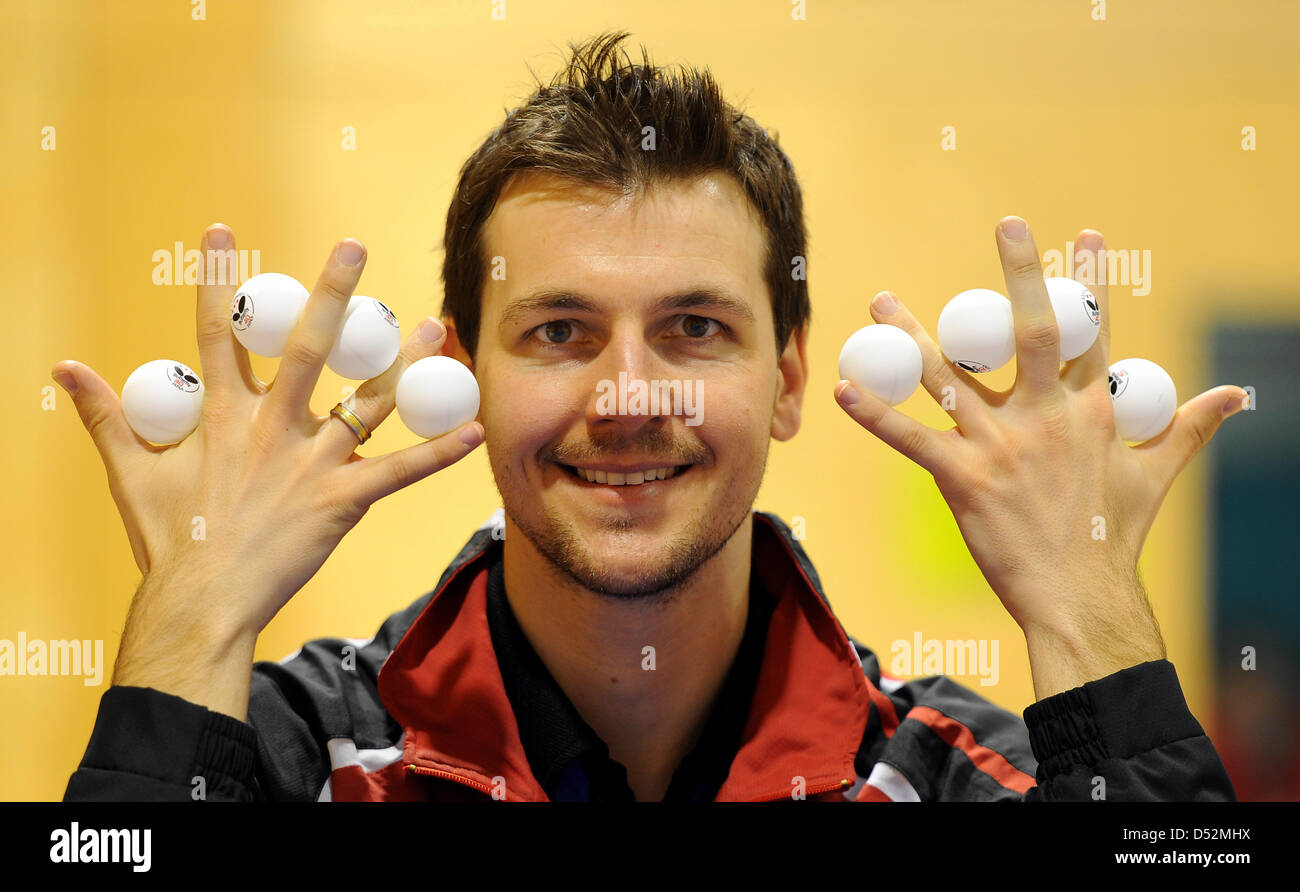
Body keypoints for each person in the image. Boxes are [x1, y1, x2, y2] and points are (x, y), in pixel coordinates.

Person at [56, 32, 1244, 802]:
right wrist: (191, 626)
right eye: (560, 331)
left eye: (694, 328)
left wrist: (1085, 611)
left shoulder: (965, 777)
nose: (628, 397)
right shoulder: (276, 755)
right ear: (465, 374)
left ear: (786, 380)